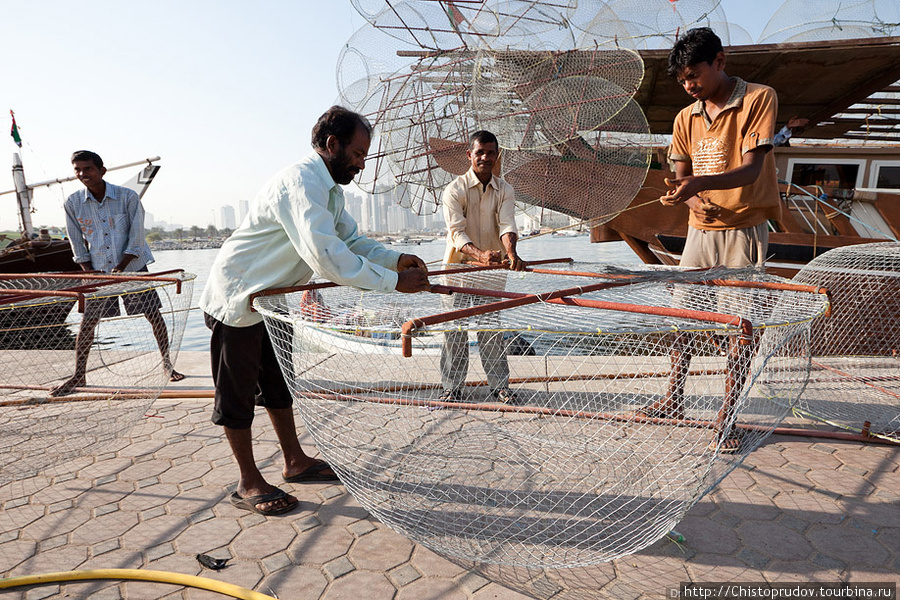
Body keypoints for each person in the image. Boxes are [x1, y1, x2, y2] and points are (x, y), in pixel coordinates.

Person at [199, 106, 430, 516]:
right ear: (332, 144)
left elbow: (352, 241)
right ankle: (248, 481)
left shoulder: (330, 191)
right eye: (358, 154)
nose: (361, 164)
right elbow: (327, 257)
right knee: (236, 397)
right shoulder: (301, 183)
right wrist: (394, 283)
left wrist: (397, 259)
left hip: (270, 301)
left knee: (278, 384)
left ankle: (294, 462)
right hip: (237, 300)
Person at [638, 27, 782, 454]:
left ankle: (728, 414)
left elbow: (752, 170)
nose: (689, 86)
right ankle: (674, 396)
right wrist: (691, 198)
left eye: (694, 75)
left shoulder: (759, 98)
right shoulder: (686, 117)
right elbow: (683, 177)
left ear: (719, 61)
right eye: (682, 80)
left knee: (741, 326)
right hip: (700, 233)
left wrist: (697, 183)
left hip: (744, 228)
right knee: (682, 317)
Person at [51, 150, 184, 397]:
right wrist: (89, 272)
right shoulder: (73, 203)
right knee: (88, 323)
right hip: (98, 271)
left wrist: (121, 267)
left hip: (132, 267)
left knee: (153, 314)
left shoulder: (127, 197)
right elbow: (76, 242)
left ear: (102, 171)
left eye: (88, 169)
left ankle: (166, 363)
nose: (83, 174)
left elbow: (136, 237)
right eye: (78, 170)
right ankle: (79, 374)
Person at [439, 130, 525, 404]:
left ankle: (500, 386)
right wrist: (479, 256)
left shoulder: (505, 189)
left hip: (491, 275)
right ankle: (452, 388)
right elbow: (456, 233)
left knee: (491, 331)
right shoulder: (455, 190)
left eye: (490, 153)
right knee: (455, 333)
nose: (485, 158)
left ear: (497, 156)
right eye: (480, 152)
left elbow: (507, 224)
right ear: (470, 156)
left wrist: (510, 252)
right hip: (458, 274)